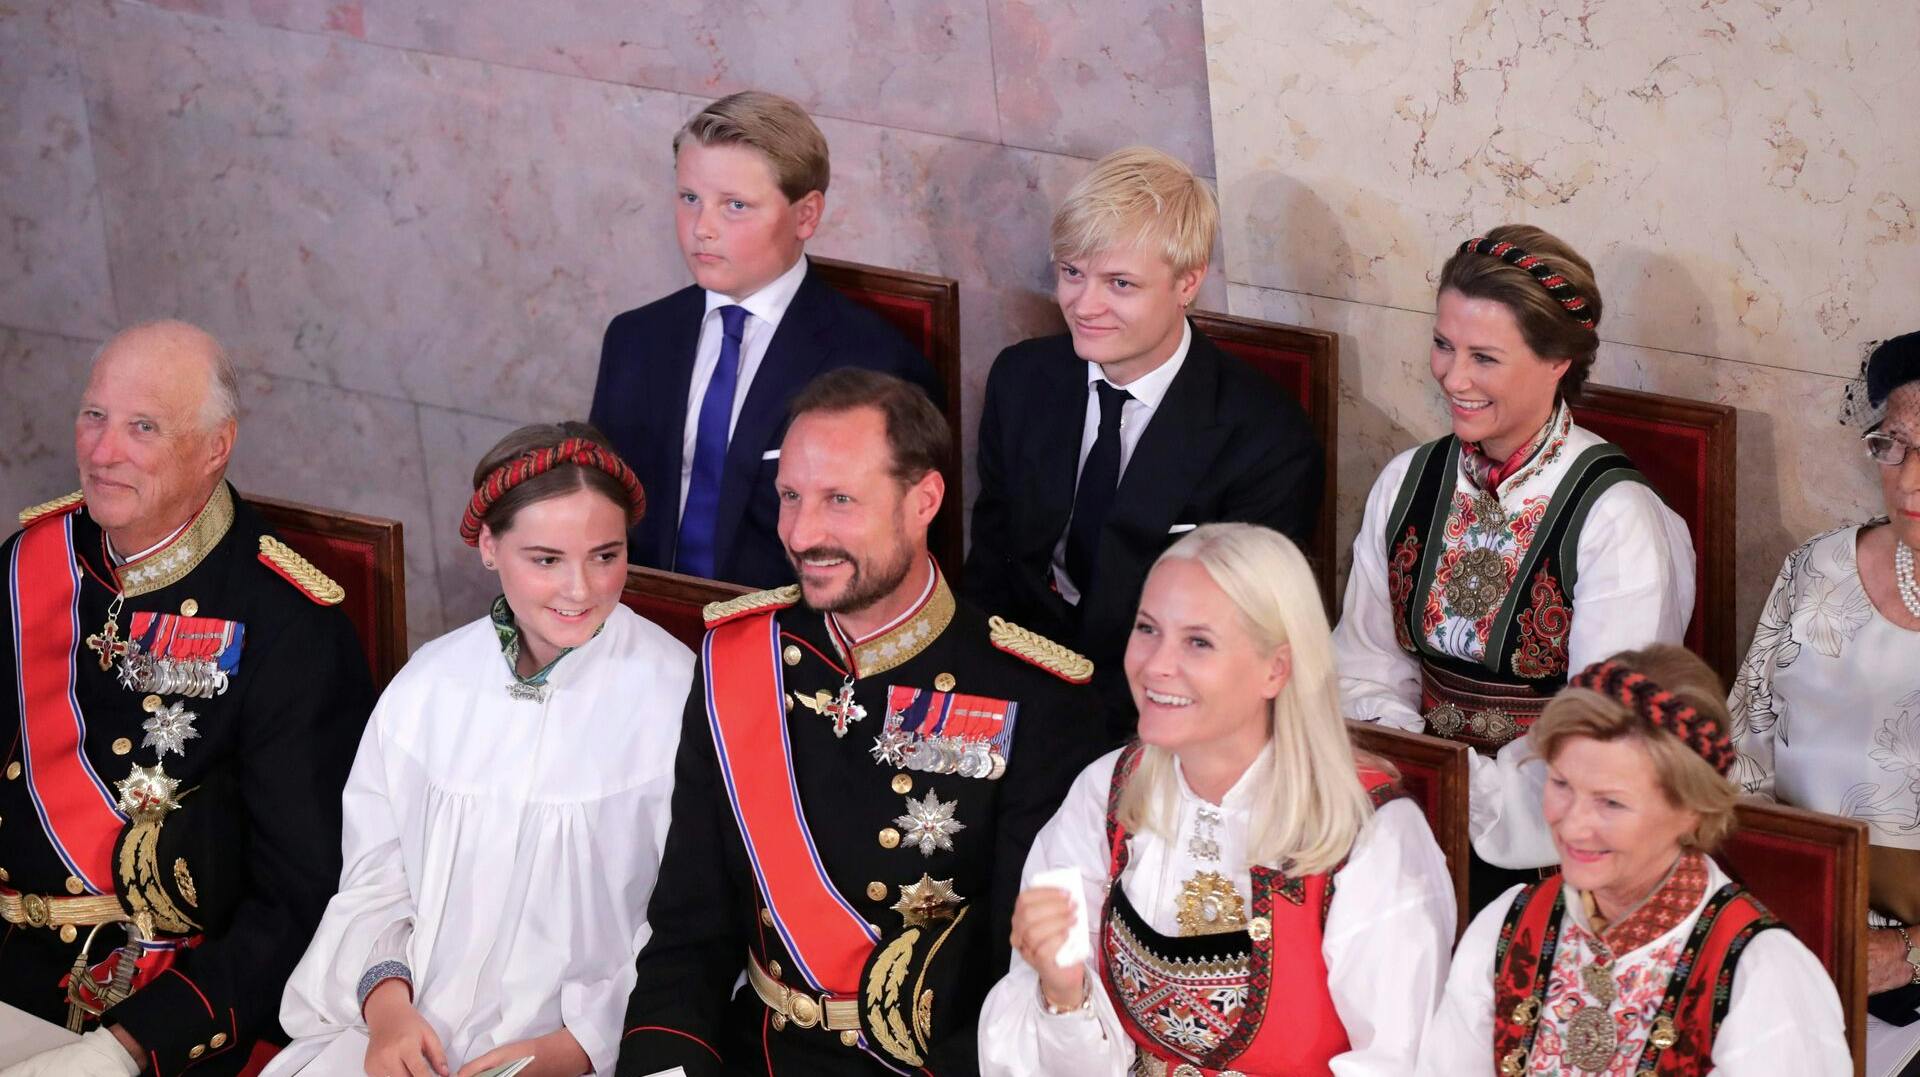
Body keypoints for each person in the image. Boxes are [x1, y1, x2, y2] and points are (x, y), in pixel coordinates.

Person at [615, 369, 1101, 1075]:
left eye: (839, 500)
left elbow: (1018, 973)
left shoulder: (1037, 696)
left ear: (923, 499)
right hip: (758, 1055)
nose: (803, 532)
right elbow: (689, 928)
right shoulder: (741, 658)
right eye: (789, 496)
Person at [0, 320, 374, 1076]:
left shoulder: (286, 622)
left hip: (146, 1008)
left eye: (143, 427)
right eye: (93, 415)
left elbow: (300, 901)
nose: (102, 452)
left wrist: (126, 1049)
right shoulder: (31, 560)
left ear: (215, 446)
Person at [263, 424, 694, 1076]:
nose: (581, 589)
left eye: (606, 555)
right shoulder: (429, 686)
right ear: (489, 546)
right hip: (411, 1029)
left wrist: (575, 1047)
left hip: (595, 1050)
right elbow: (376, 881)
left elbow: (690, 925)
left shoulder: (677, 698)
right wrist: (389, 1014)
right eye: (546, 559)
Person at [980, 523, 1455, 1075]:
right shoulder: (1106, 791)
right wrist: (1063, 991)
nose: (1156, 665)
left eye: (1198, 642)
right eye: (1147, 628)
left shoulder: (1370, 838)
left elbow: (1400, 1064)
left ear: (1276, 668)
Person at [1332, 224, 1694, 907]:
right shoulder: (1408, 479)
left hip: (1549, 843)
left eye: (1485, 358)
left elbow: (1603, 728)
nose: (1453, 376)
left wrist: (1464, 797)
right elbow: (1365, 662)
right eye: (1443, 345)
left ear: (1557, 360)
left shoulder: (1619, 519)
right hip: (1401, 800)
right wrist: (1417, 779)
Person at [965, 147, 1323, 741]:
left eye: (1120, 283)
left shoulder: (1267, 437)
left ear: (1188, 281)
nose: (1084, 305)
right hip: (1012, 689)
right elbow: (991, 563)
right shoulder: (1021, 381)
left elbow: (1239, 639)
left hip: (1155, 718)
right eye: (1072, 273)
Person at [1419, 645, 1851, 1075]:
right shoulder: (1507, 928)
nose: (1572, 826)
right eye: (1561, 784)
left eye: (1611, 803)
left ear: (1691, 809)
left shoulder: (1761, 980)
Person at [590, 90, 939, 589]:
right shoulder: (636, 339)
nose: (702, 229)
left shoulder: (877, 363)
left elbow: (886, 557)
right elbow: (602, 508)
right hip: (640, 622)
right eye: (690, 199)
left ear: (805, 216)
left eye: (735, 205)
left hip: (794, 641)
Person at [1728, 329, 1920, 1019]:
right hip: (1790, 935)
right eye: (1894, 444)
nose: (1909, 477)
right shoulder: (1818, 571)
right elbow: (1739, 757)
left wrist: (1907, 955)